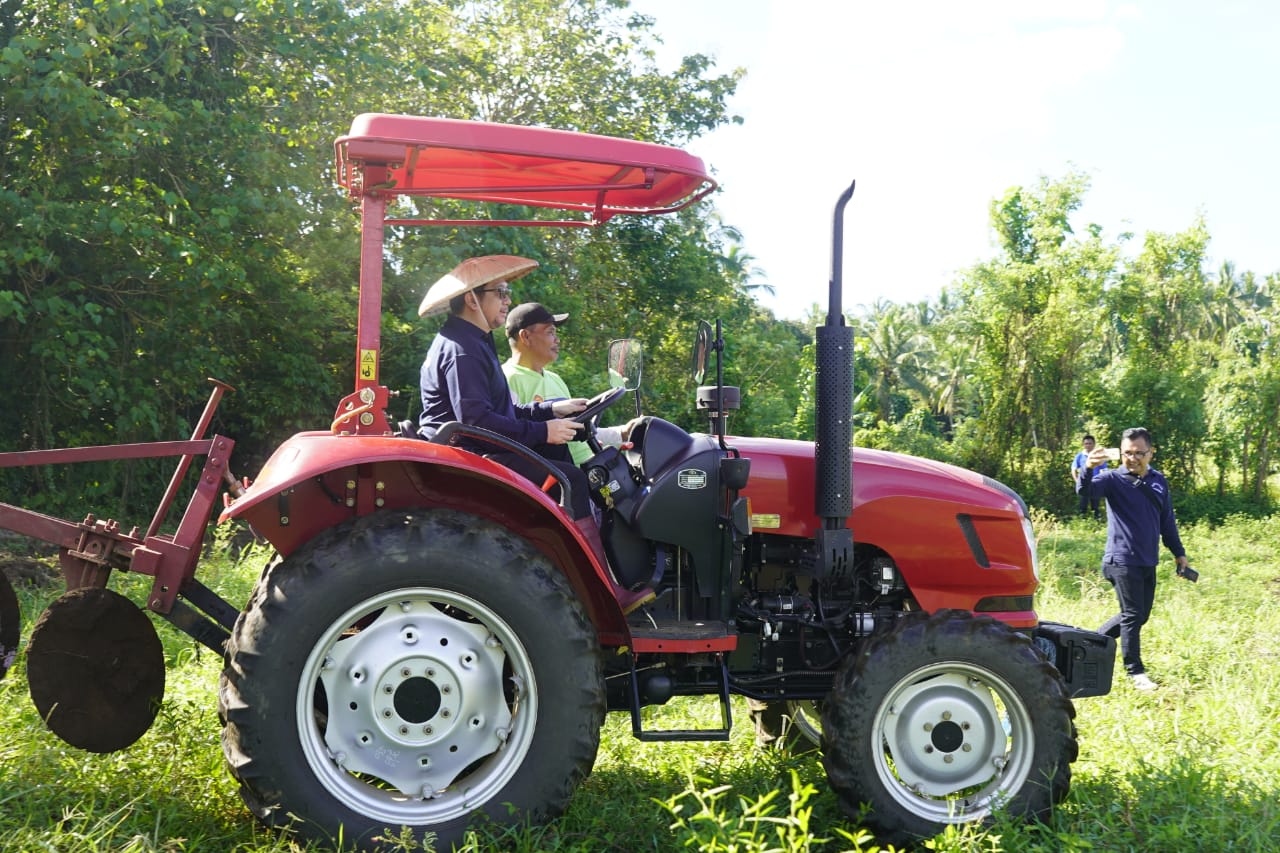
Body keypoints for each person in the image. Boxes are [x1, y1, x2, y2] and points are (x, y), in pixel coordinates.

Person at [416, 255, 654, 613]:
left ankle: (572, 579)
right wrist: (544, 430)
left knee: (561, 460)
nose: (508, 300)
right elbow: (478, 422)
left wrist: (551, 410)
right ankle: (600, 592)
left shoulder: (472, 341)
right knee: (571, 478)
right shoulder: (462, 350)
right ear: (472, 299)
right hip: (470, 453)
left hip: (473, 444)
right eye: (501, 292)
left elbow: (499, 413)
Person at [1083, 426, 1192, 691]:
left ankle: (1088, 646)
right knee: (1132, 615)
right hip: (1120, 560)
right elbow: (1084, 492)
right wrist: (1088, 468)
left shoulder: (1158, 481)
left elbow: (1167, 521)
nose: (1132, 458)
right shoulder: (1111, 479)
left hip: (1147, 559)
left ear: (1150, 453)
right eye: (1127, 453)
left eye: (1138, 453)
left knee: (1139, 615)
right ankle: (1135, 672)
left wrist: (1179, 553)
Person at [502, 302, 626, 466]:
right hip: (559, 479)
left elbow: (577, 430)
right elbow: (513, 436)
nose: (557, 339)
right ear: (525, 336)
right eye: (550, 332)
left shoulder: (555, 379)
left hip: (591, 468)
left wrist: (621, 433)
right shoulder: (507, 379)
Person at [1072, 434, 1108, 520]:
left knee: (1095, 505)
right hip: (1084, 484)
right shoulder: (1079, 456)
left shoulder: (1098, 456)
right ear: (1083, 444)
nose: (1088, 445)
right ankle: (1083, 520)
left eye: (1090, 443)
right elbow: (1073, 469)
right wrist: (1077, 481)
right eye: (1086, 443)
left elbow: (1105, 470)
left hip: (1095, 484)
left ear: (1094, 444)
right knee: (1082, 504)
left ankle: (1097, 520)